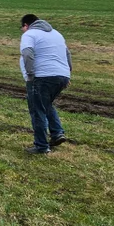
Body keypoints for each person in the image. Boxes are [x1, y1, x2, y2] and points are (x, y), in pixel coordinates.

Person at [20, 14, 72, 154]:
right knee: (46, 104)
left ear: (26, 25)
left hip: (41, 77)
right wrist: (67, 74)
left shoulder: (30, 34)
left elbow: (27, 53)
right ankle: (56, 133)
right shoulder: (57, 34)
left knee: (37, 110)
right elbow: (67, 54)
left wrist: (30, 75)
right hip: (62, 75)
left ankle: (41, 146)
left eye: (22, 28)